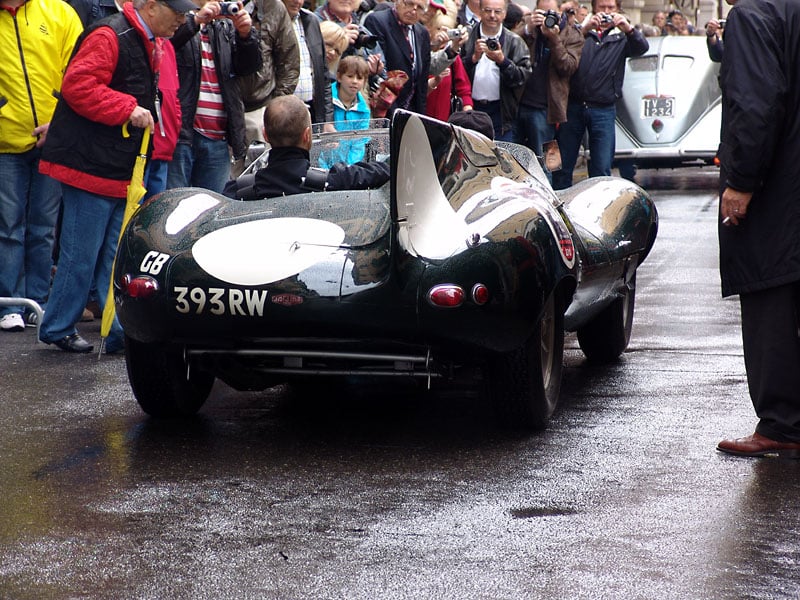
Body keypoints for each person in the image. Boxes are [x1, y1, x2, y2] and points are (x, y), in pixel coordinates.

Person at [37, 0, 198, 354]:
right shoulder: (112, 34)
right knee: (82, 253)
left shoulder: (144, 37)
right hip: (90, 166)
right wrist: (127, 109)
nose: (183, 21)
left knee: (114, 254)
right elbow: (78, 86)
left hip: (115, 166)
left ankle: (116, 329)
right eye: (178, 13)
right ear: (153, 7)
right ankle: (57, 327)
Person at [714, 0, 800, 458]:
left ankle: (782, 424)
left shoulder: (753, 14)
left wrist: (741, 182)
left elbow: (755, 102)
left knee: (771, 297)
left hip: (778, 186)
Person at [0, 0, 83, 333]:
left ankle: (39, 300)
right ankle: (11, 301)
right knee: (8, 226)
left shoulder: (59, 12)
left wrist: (59, 122)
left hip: (53, 138)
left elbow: (79, 72)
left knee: (44, 226)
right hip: (5, 141)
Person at [167, 0, 262, 193]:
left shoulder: (224, 24)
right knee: (175, 205)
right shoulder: (174, 18)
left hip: (218, 136)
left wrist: (246, 35)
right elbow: (165, 47)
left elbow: (249, 68)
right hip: (182, 135)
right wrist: (196, 21)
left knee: (213, 209)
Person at [551, 0, 648, 190]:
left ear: (618, 9)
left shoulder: (621, 36)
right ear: (594, 8)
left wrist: (627, 27)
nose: (605, 13)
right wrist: (586, 28)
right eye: (601, 8)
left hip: (603, 108)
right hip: (573, 106)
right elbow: (559, 47)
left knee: (602, 168)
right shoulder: (580, 30)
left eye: (610, 8)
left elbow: (642, 48)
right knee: (562, 166)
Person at [227, 94, 389, 199]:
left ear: (266, 135)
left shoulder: (236, 191)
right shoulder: (336, 181)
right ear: (307, 135)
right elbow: (383, 171)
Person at [514, 0, 583, 176]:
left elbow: (567, 67)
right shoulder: (528, 29)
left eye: (551, 13)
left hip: (547, 111)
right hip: (518, 105)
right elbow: (510, 42)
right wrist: (529, 28)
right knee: (515, 162)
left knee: (546, 164)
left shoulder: (572, 34)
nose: (546, 18)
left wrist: (554, 39)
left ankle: (549, 199)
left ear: (561, 11)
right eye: (542, 13)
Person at [461, 0, 531, 142]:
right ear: (479, 11)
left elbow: (523, 77)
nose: (492, 16)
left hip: (501, 112)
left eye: (497, 11)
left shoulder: (514, 41)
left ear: (504, 14)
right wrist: (473, 59)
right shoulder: (466, 36)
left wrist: (502, 62)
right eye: (487, 10)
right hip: (469, 109)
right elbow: (455, 73)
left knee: (500, 158)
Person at [237, 0, 299, 154]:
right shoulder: (216, 5)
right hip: (219, 111)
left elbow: (289, 61)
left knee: (262, 172)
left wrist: (275, 110)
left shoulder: (274, 7)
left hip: (261, 109)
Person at [363, 0, 432, 115]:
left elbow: (422, 82)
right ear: (398, 2)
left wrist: (420, 117)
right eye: (409, 3)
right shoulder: (377, 21)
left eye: (419, 7)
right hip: (384, 108)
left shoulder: (422, 33)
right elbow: (379, 71)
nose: (413, 10)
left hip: (411, 110)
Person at [282, 0, 335, 125]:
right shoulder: (266, 22)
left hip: (312, 112)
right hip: (281, 113)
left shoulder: (311, 20)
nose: (298, 1)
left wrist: (327, 121)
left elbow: (323, 76)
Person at [423, 2, 473, 121]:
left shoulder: (453, 56)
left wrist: (468, 112)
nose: (443, 34)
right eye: (438, 28)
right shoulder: (422, 52)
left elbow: (463, 89)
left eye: (448, 31)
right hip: (421, 114)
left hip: (444, 119)